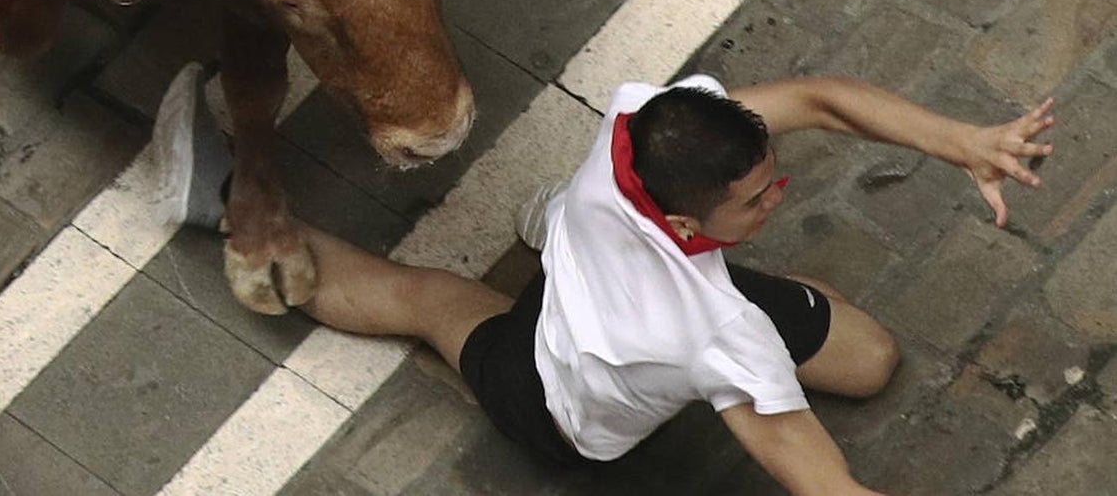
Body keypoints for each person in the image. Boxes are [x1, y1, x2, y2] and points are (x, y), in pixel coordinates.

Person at [156, 64, 1055, 495]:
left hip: (607, 254)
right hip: (555, 392)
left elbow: (818, 98)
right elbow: (825, 483)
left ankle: (555, 225)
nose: (780, 193)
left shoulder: (642, 122)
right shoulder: (721, 334)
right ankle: (221, 194)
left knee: (870, 359)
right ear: (682, 222)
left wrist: (963, 141)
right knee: (426, 300)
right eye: (755, 199)